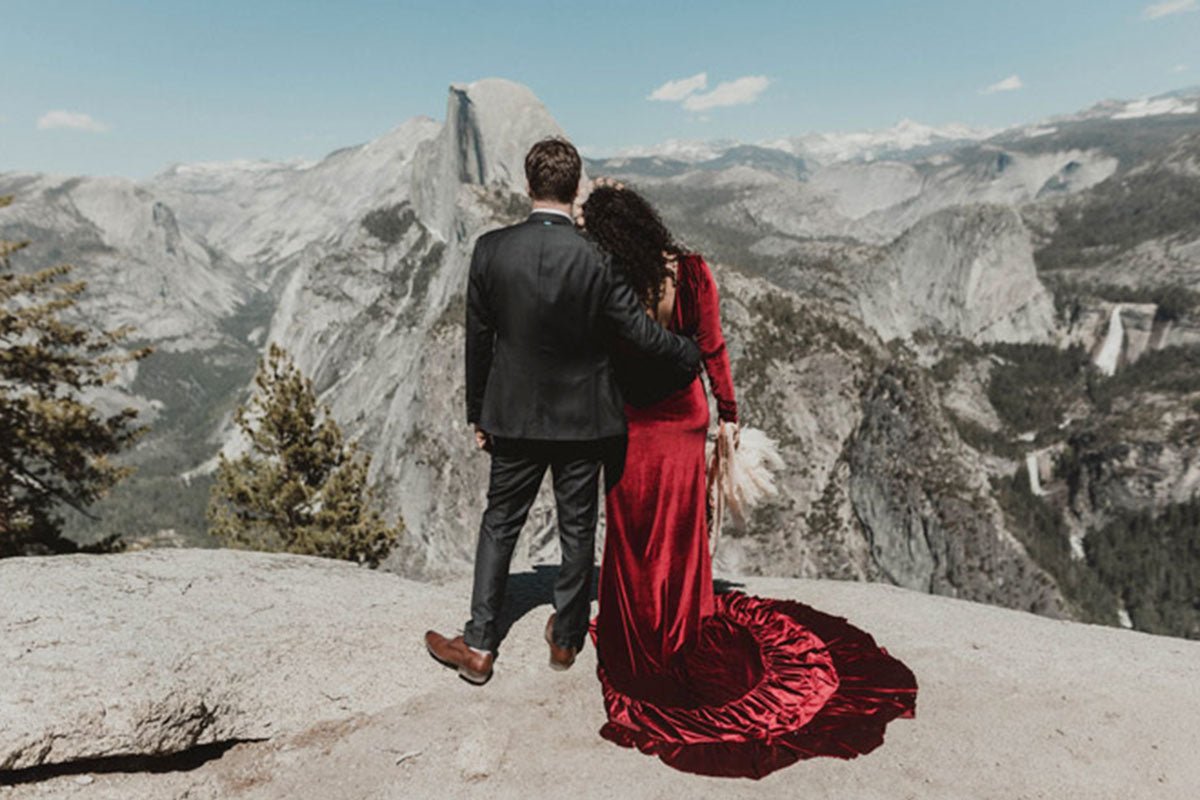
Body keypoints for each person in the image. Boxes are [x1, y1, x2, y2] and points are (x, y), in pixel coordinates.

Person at [579, 181, 918, 779]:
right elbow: (712, 348)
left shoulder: (609, 285)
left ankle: (640, 636)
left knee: (632, 534)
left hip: (631, 423)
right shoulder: (692, 273)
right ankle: (682, 625)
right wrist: (730, 412)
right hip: (684, 418)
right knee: (682, 532)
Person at [424, 138, 702, 685]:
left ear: (528, 186)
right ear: (575, 189)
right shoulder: (599, 257)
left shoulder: (491, 249)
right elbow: (641, 334)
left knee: (500, 523)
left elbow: (477, 340)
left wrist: (478, 412)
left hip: (515, 417)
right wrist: (690, 352)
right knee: (578, 531)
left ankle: (479, 645)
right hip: (585, 421)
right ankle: (567, 642)